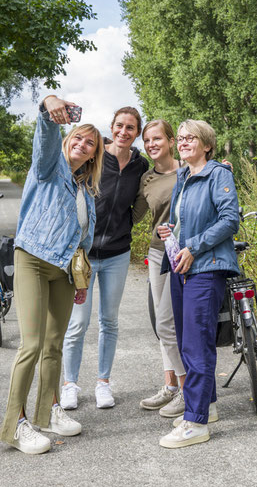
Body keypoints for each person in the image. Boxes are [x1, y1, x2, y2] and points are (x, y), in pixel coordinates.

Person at [0, 95, 102, 455]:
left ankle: (47, 412)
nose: (82, 144)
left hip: (64, 270)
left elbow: (83, 241)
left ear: (93, 155)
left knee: (54, 344)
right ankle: (15, 425)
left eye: (90, 143)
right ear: (67, 140)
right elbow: (44, 134)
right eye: (78, 138)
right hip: (32, 259)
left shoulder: (85, 191)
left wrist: (81, 281)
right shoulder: (48, 165)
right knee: (31, 345)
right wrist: (48, 107)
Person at [157, 119, 240, 449]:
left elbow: (230, 220)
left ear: (207, 144)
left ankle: (195, 423)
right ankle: (208, 405)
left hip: (206, 267)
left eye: (191, 138)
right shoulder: (184, 176)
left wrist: (194, 247)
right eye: (180, 139)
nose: (183, 143)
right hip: (182, 266)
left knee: (196, 344)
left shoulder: (218, 173)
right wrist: (172, 230)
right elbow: (186, 219)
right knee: (186, 340)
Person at [59, 107, 149, 410]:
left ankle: (103, 383)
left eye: (131, 128)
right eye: (120, 126)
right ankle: (70, 383)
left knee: (109, 321)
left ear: (137, 132)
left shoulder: (140, 165)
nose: (124, 132)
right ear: (112, 127)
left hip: (117, 255)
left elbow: (156, 187)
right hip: (83, 255)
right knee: (78, 323)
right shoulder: (96, 157)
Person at [132, 119, 187, 417]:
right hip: (158, 254)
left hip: (190, 253)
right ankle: (171, 387)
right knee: (163, 324)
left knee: (169, 323)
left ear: (170, 140)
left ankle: (187, 388)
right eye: (147, 140)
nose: (152, 144)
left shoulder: (189, 168)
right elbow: (133, 215)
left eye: (157, 138)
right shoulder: (147, 179)